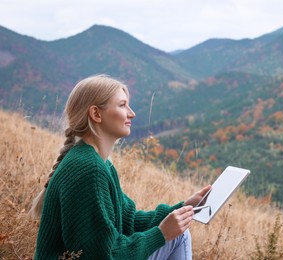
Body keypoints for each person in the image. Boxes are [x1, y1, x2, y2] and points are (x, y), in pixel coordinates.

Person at [29, 75, 211, 259]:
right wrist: (162, 234)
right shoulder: (88, 169)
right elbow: (104, 255)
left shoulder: (100, 164)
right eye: (122, 105)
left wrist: (183, 207)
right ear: (96, 114)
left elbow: (127, 220)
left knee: (179, 233)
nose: (131, 113)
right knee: (178, 237)